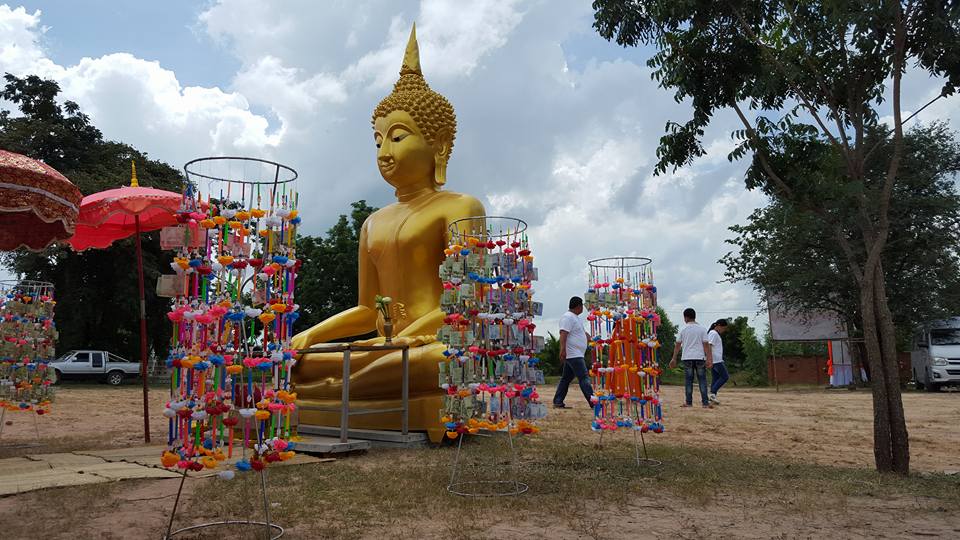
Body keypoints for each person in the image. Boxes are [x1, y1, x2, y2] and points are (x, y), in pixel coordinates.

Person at [553, 296, 594, 408]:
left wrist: (593, 340)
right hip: (573, 354)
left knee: (566, 379)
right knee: (584, 377)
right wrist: (563, 350)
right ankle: (593, 401)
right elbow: (563, 334)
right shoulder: (568, 317)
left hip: (576, 353)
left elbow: (582, 333)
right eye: (582, 306)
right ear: (579, 306)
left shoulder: (575, 318)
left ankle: (558, 401)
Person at [669, 307, 713, 408]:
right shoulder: (702, 329)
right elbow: (706, 344)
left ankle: (689, 402)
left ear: (686, 317)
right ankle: (705, 403)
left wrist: (674, 358)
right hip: (700, 357)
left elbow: (678, 344)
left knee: (689, 380)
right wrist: (709, 358)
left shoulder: (683, 329)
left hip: (687, 357)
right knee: (702, 380)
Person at [707, 319, 729, 404]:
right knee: (725, 376)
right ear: (719, 326)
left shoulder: (714, 333)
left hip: (715, 359)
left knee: (715, 378)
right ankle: (712, 392)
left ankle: (712, 396)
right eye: (723, 328)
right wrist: (710, 359)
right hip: (716, 360)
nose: (723, 331)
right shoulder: (713, 333)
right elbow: (709, 345)